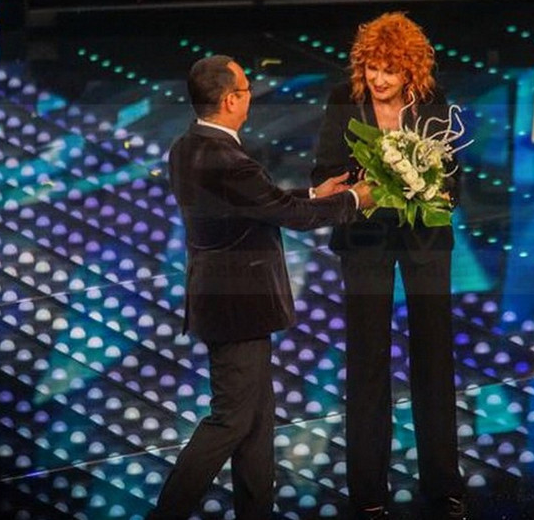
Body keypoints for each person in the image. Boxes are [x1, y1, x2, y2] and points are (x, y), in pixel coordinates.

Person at [147, 55, 373, 520]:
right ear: (231, 100)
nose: (252, 97)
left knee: (256, 419)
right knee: (231, 420)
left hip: (221, 300)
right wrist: (354, 199)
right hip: (239, 307)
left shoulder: (187, 146)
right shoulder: (229, 160)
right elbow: (288, 217)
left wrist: (317, 193)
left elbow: (258, 204)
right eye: (247, 89)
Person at [311, 12, 467, 520]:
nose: (379, 79)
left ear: (410, 71)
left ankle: (443, 486)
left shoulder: (432, 100)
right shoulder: (343, 98)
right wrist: (360, 181)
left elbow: (454, 175)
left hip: (425, 240)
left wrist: (434, 187)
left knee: (434, 358)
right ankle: (367, 493)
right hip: (365, 239)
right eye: (372, 68)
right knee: (368, 361)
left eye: (390, 70)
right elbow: (323, 170)